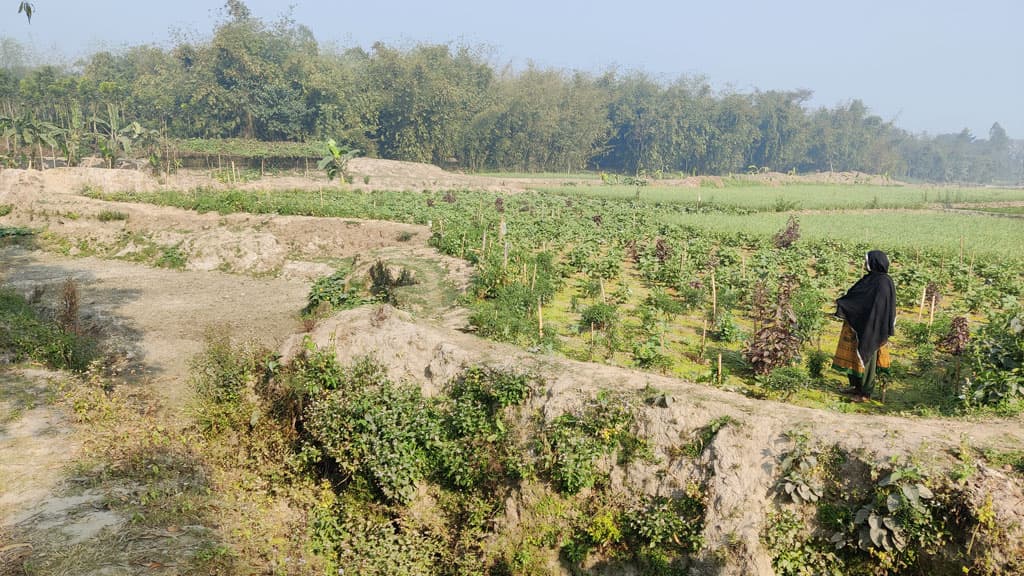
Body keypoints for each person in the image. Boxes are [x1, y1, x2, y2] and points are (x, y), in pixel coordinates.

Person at [832, 250, 896, 401]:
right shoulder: (871, 279)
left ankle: (865, 392)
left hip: (873, 327)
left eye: (866, 261)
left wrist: (845, 304)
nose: (864, 264)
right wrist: (844, 303)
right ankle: (856, 386)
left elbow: (878, 306)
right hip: (861, 323)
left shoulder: (883, 282)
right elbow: (857, 296)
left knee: (867, 356)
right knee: (854, 354)